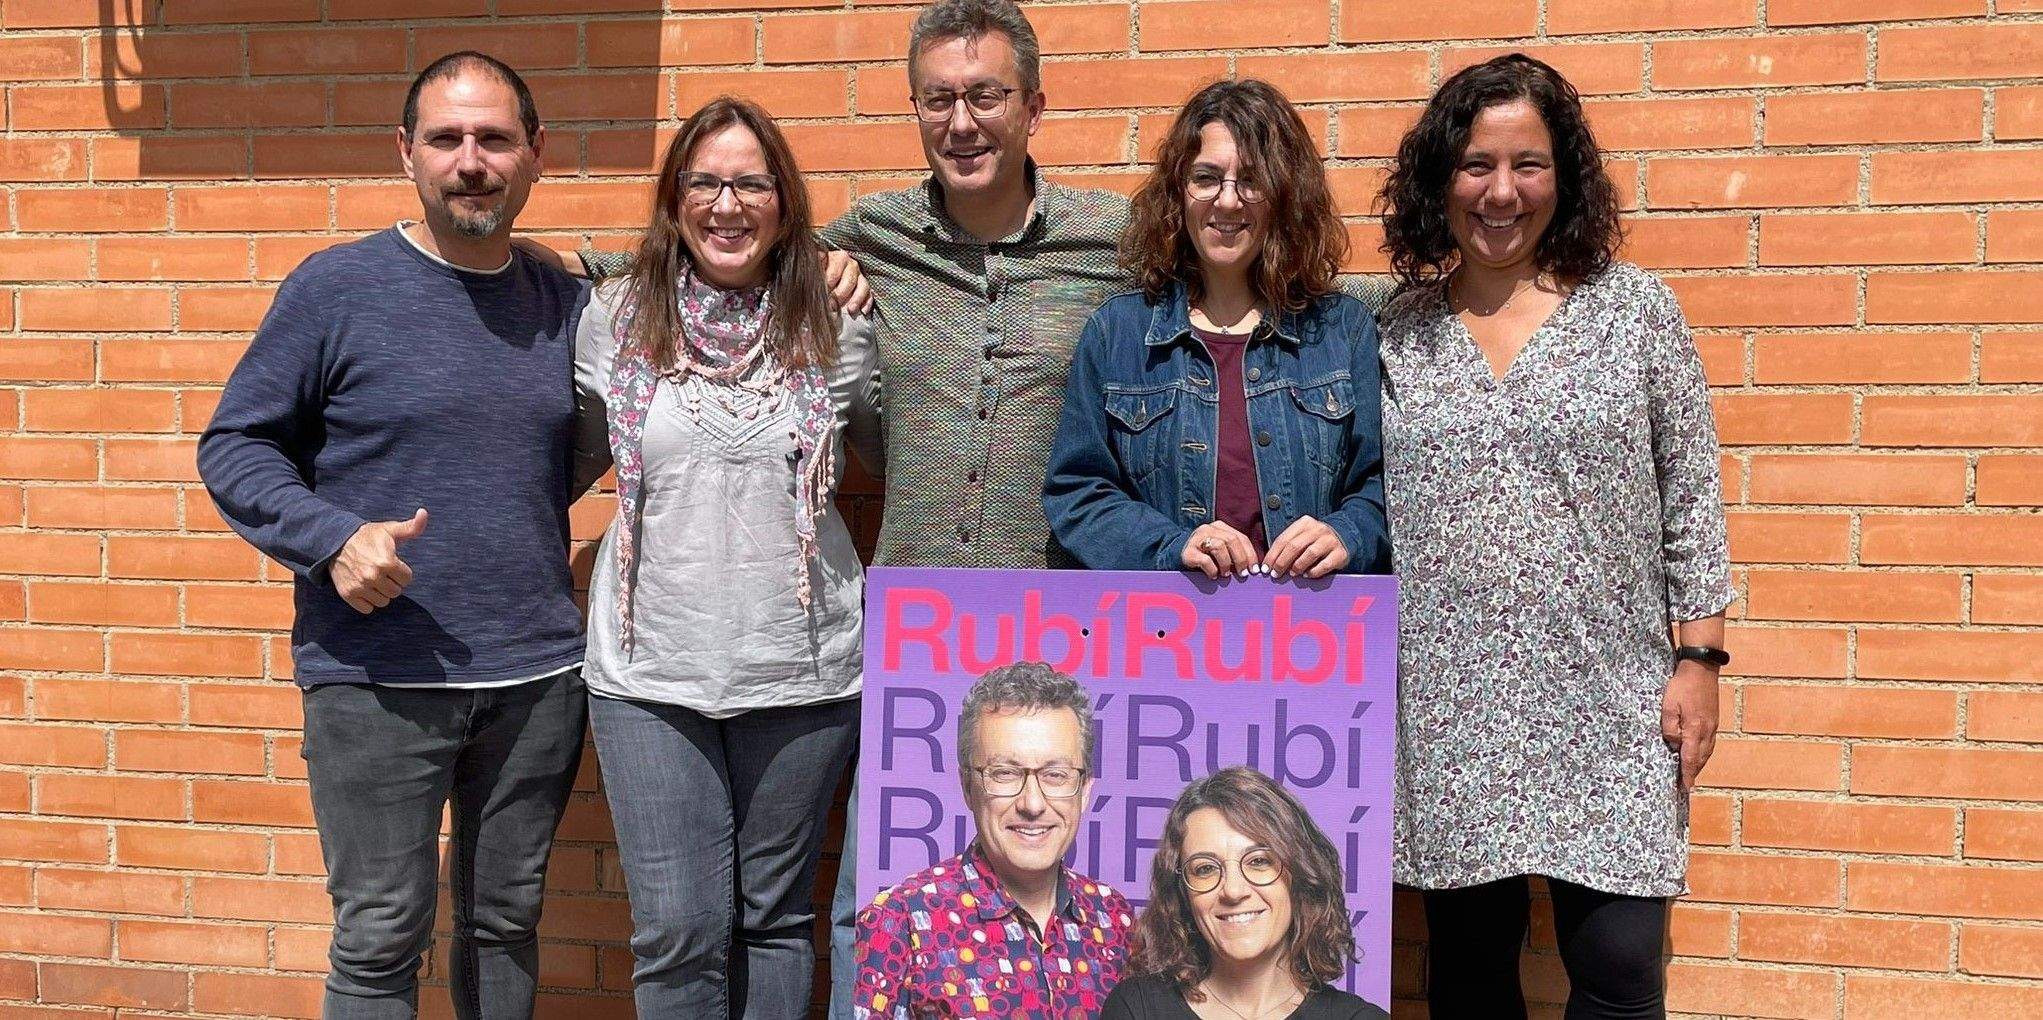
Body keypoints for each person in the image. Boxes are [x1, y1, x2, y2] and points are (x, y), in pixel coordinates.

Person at [570, 3, 1138, 1010]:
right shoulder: (869, 240)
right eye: (939, 99)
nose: (962, 121)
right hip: (914, 622)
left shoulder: (1113, 240)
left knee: (1066, 897)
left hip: (1057, 615)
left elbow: (1245, 285)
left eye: (986, 96)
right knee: (882, 901)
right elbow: (722, 252)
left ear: (1034, 107)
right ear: (916, 110)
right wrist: (547, 272)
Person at [197, 52, 591, 1019]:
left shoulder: (568, 305)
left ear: (535, 154)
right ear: (405, 153)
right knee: (379, 934)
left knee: (505, 924)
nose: (471, 161)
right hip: (375, 680)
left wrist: (830, 266)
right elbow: (234, 445)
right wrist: (331, 537)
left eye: (495, 139)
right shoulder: (338, 288)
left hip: (534, 677)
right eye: (446, 138)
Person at [1374, 53, 1735, 1018]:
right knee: (1470, 970)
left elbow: (1690, 494)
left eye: (1526, 164)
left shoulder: (1634, 312)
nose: (1500, 191)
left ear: (1563, 177)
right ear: (1437, 181)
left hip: (1608, 695)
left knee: (1619, 968)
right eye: (1474, 165)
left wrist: (1698, 658)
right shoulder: (1397, 329)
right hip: (1451, 701)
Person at [571, 96, 882, 1017]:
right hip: (648, 673)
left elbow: (896, 456)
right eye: (703, 182)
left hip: (804, 671)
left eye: (750, 183)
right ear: (673, 201)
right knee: (676, 934)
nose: (726, 204)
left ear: (782, 201)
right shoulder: (612, 317)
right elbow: (566, 450)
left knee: (774, 919)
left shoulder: (837, 323)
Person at [1044, 79, 1390, 580]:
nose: (1227, 202)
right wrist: (1172, 546)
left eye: (1251, 180)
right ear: (1179, 192)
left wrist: (1348, 533)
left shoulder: (1341, 331)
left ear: (1284, 195)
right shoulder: (1118, 333)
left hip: (1310, 634)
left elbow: (1385, 486)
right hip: (1165, 634)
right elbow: (1077, 493)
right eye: (1206, 178)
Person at [852, 662, 1134, 1018]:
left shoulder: (1114, 920)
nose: (1032, 803)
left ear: (1084, 790)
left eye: (1056, 775)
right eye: (1005, 773)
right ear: (968, 787)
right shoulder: (898, 920)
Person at [1102, 767, 1388, 1020]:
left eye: (1259, 861)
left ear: (1299, 876)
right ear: (1182, 894)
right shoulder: (1137, 1008)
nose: (1233, 890)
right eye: (1205, 869)